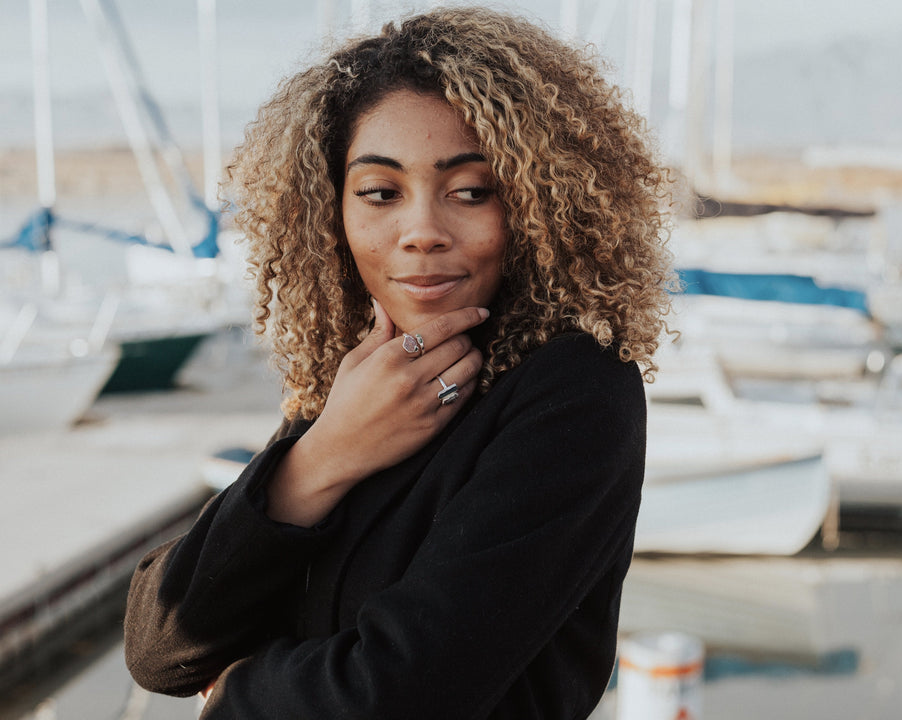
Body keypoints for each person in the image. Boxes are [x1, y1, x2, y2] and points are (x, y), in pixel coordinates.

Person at [123, 6, 674, 718]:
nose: (421, 232)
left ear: (539, 207)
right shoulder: (354, 378)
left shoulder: (575, 392)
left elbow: (403, 693)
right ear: (331, 211)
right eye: (380, 193)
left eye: (471, 191)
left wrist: (235, 692)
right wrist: (324, 456)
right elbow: (160, 646)